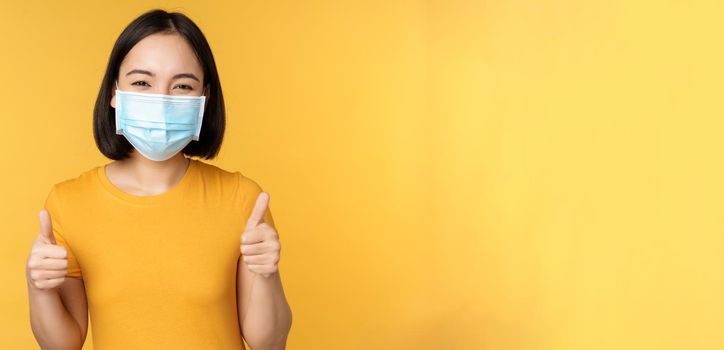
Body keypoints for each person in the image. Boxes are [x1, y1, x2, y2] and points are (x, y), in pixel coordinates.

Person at [25, 9, 292, 349]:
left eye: (182, 85)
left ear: (203, 99)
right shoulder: (68, 203)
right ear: (114, 93)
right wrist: (38, 288)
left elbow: (268, 344)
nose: (161, 100)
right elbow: (62, 345)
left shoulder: (242, 198)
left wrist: (267, 276)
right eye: (142, 82)